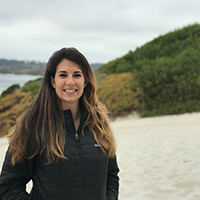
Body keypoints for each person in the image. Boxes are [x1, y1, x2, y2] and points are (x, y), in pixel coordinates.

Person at [0, 47, 119, 200]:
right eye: (63, 75)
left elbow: (112, 175)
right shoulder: (32, 127)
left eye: (77, 75)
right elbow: (9, 186)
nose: (70, 82)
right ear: (53, 81)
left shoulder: (98, 124)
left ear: (85, 81)